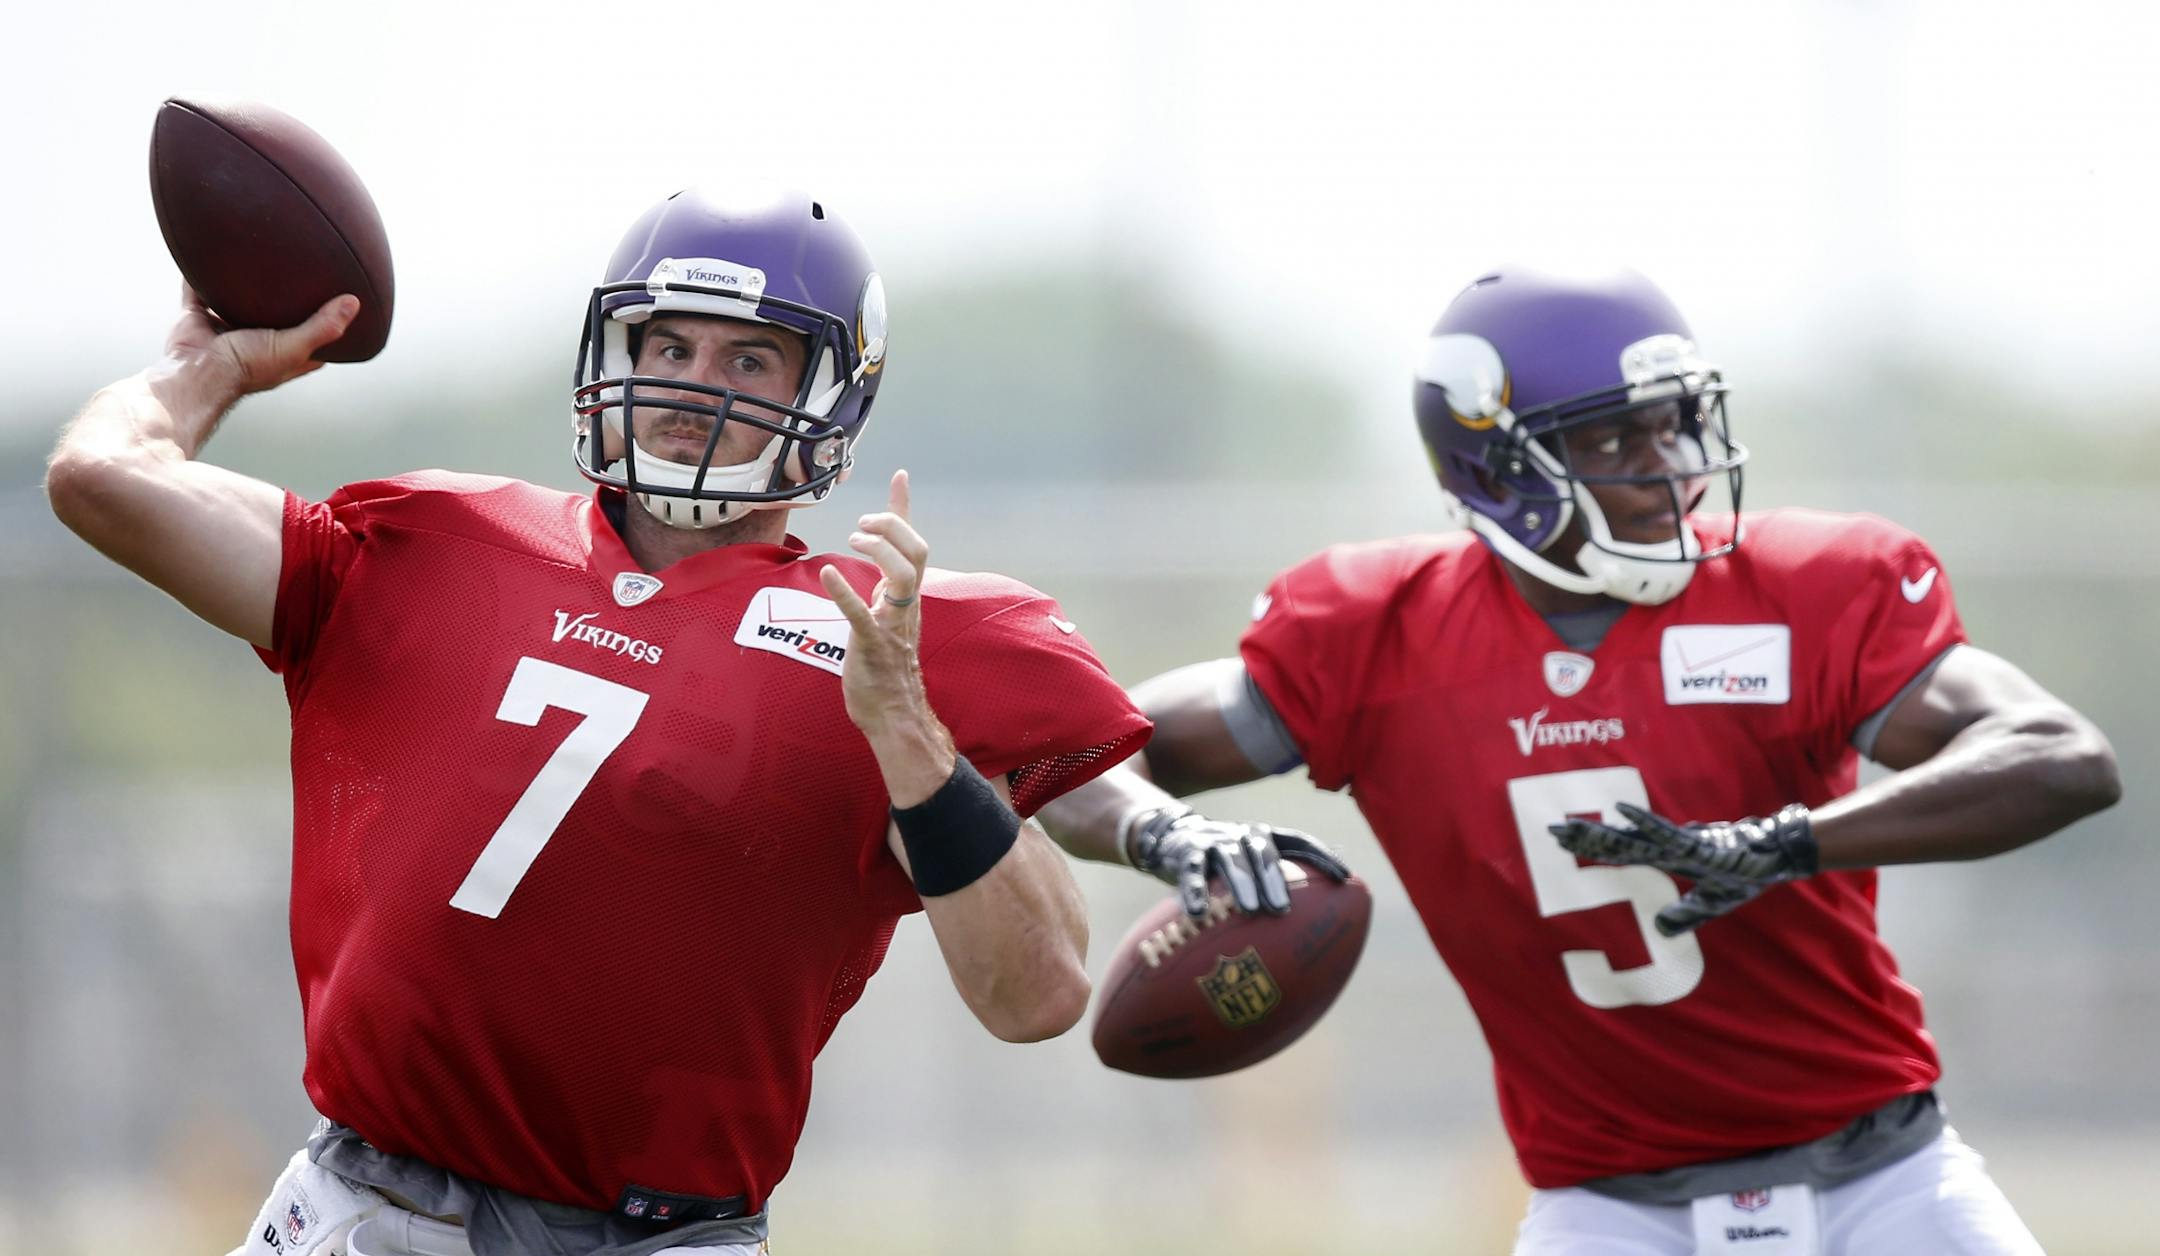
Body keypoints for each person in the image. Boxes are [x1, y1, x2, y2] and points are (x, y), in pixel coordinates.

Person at [45, 187, 1150, 1256]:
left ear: (834, 395)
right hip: (361, 1202)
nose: (692, 385)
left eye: (748, 357)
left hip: (664, 1233)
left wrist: (911, 733)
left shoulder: (878, 634)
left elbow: (1039, 991)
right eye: (669, 346)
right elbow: (104, 474)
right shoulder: (444, 544)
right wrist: (205, 368)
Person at [1039, 266, 2121, 1254]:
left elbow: (2061, 755)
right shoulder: (1377, 632)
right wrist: (1169, 832)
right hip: (1606, 1211)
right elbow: (1072, 755)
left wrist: (1788, 842)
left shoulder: (1808, 586)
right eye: (1612, 441)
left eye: (1674, 426)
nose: (1666, 471)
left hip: (1884, 1182)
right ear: (1494, 467)